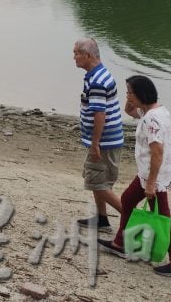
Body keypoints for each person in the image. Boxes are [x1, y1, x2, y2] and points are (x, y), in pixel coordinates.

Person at [98, 75, 171, 277]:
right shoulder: (154, 110)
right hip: (147, 174)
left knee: (163, 217)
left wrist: (150, 184)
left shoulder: (152, 118)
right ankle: (120, 243)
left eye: (130, 93)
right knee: (128, 199)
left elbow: (157, 152)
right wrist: (130, 95)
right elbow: (129, 111)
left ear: (142, 94)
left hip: (153, 177)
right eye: (127, 92)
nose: (128, 96)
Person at [73, 37, 125, 232]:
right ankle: (102, 219)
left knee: (98, 183)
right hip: (108, 140)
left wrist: (95, 143)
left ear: (88, 55)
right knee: (97, 180)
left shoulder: (97, 80)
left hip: (104, 142)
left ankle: (132, 218)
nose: (74, 57)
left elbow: (100, 114)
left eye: (76, 53)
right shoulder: (99, 75)